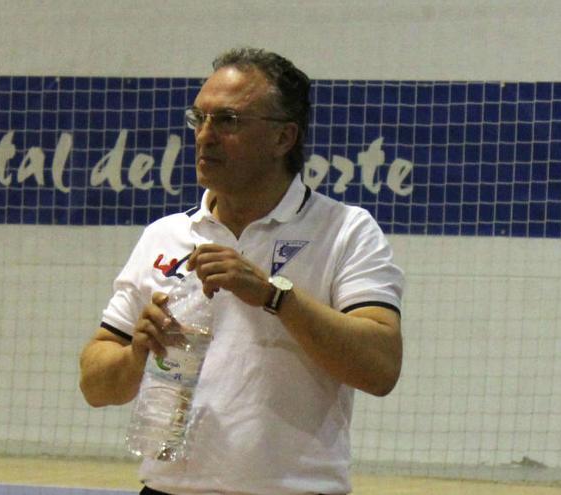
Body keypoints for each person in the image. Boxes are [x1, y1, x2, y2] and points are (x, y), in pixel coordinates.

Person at [79, 47, 404, 495]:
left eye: (228, 121)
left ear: (283, 138)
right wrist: (138, 352)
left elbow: (381, 368)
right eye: (200, 119)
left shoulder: (345, 230)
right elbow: (95, 385)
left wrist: (275, 297)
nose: (205, 136)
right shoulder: (164, 236)